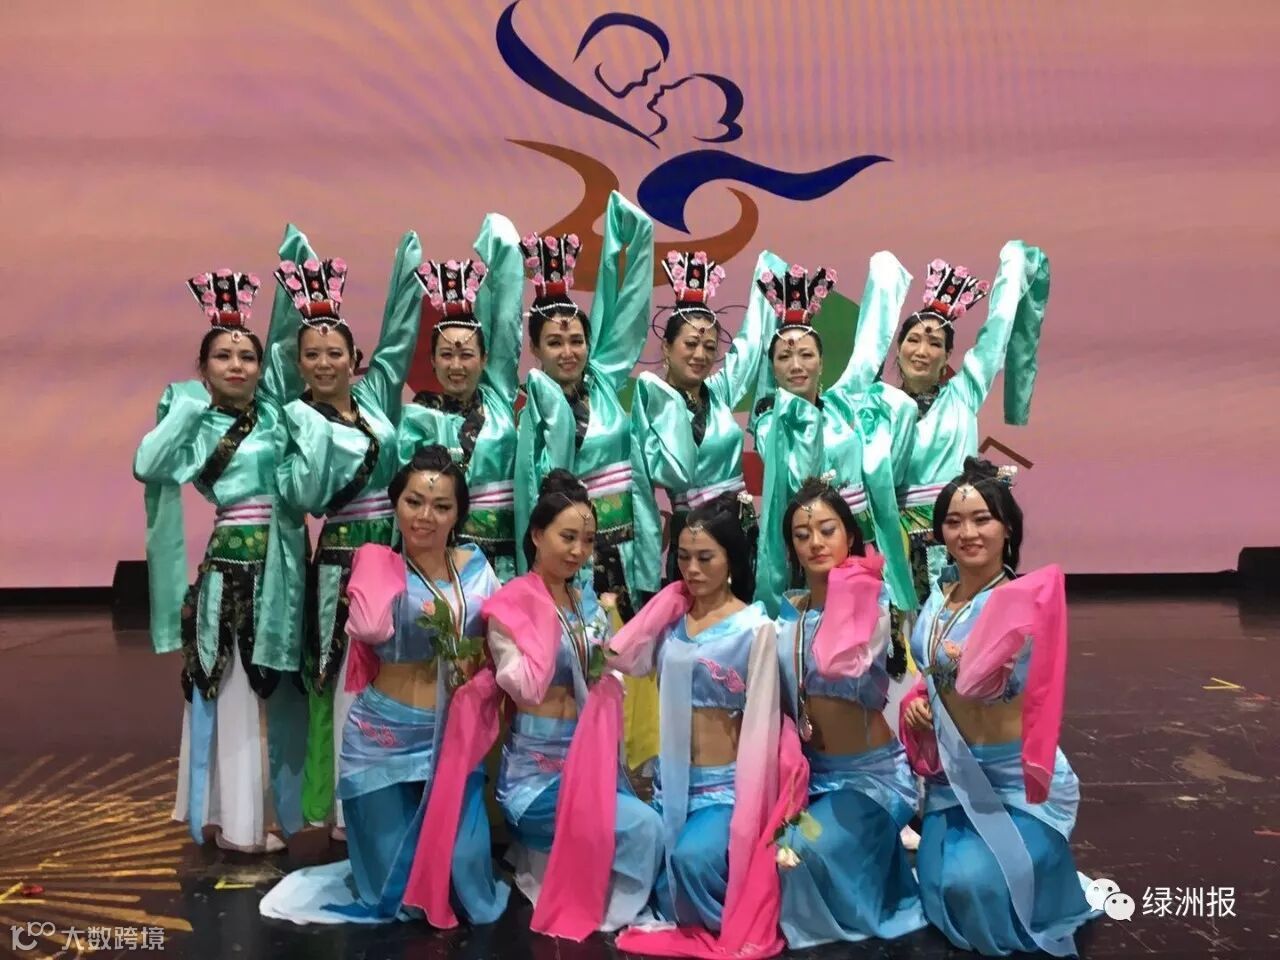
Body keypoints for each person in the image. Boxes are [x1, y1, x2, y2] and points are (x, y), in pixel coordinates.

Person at [259, 446, 509, 924]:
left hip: (452, 737)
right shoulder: (376, 563)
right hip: (384, 738)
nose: (425, 516)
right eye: (414, 502)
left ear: (458, 514)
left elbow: (499, 638)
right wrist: (379, 574)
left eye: (441, 506)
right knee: (401, 894)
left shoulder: (477, 566)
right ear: (395, 504)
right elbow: (370, 628)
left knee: (463, 883)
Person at [134, 268, 305, 852]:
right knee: (230, 689)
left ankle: (280, 813)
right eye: (223, 356)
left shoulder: (278, 415)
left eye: (247, 357)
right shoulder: (196, 422)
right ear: (202, 367)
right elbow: (147, 464)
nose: (237, 366)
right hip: (230, 569)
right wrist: (187, 405)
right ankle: (235, 821)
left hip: (283, 565)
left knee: (282, 691)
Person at [900, 458, 1097, 956]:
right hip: (950, 783)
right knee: (938, 884)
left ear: (1008, 527)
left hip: (1009, 781)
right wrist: (918, 702)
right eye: (954, 521)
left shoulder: (1023, 604)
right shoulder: (939, 598)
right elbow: (932, 674)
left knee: (971, 886)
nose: (967, 533)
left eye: (981, 519)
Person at [273, 227, 424, 837]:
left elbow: (400, 337)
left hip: (393, 550)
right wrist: (311, 431)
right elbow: (304, 497)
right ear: (298, 363)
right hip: (340, 559)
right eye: (311, 354)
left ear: (353, 358)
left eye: (334, 352)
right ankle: (344, 806)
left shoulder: (376, 398)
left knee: (396, 672)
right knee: (343, 676)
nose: (324, 362)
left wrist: (408, 267)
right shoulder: (297, 417)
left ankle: (395, 790)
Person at [486, 470, 663, 936]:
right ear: (536, 535)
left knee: (658, 820)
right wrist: (545, 617)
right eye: (567, 537)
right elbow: (524, 689)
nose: (578, 551)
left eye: (587, 541)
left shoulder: (584, 604)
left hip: (588, 765)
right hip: (533, 781)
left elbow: (610, 670)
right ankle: (619, 914)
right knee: (644, 828)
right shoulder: (511, 604)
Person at [605, 494, 778, 934]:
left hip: (725, 789)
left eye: (705, 558)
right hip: (671, 784)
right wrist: (663, 603)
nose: (692, 569)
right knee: (657, 881)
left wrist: (755, 803)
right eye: (683, 557)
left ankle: (736, 925)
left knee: (690, 860)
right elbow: (624, 658)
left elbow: (763, 725)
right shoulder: (673, 620)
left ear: (731, 559)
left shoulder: (755, 629)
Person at [772, 479, 925, 947]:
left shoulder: (872, 605)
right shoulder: (788, 612)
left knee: (802, 848)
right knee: (771, 846)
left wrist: (848, 585)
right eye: (802, 534)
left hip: (870, 779)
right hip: (810, 779)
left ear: (850, 536)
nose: (815, 543)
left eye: (827, 530)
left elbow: (847, 661)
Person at [749, 252, 918, 637]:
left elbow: (868, 356)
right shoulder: (769, 423)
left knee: (876, 642)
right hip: (816, 551)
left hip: (863, 544)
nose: (796, 365)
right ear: (773, 367)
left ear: (822, 363)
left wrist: (884, 273)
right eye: (784, 356)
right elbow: (803, 481)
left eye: (806, 354)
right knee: (824, 643)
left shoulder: (842, 406)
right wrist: (801, 413)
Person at [513, 191, 657, 621]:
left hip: (627, 547)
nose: (568, 352)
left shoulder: (605, 384)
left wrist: (637, 238)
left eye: (576, 340)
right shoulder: (532, 414)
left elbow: (629, 310)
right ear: (535, 349)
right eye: (554, 342)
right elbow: (529, 495)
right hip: (573, 556)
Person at [892, 243, 1050, 623]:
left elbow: (997, 332)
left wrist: (1013, 264)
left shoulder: (962, 394)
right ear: (897, 349)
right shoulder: (878, 405)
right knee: (904, 642)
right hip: (895, 545)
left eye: (935, 343)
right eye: (913, 339)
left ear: (948, 356)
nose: (922, 350)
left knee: (964, 636)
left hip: (959, 538)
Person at [631, 251, 776, 585]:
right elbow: (648, 480)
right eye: (691, 344)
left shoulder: (718, 392)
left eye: (710, 347)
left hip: (738, 528)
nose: (701, 355)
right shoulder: (651, 404)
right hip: (692, 535)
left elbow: (751, 343)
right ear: (666, 347)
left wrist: (768, 271)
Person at [398, 214, 524, 581]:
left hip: (505, 561)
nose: (456, 365)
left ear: (484, 360)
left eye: (466, 354)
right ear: (432, 361)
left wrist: (497, 243)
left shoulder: (498, 400)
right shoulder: (417, 418)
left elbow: (508, 318)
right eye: (446, 355)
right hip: (441, 559)